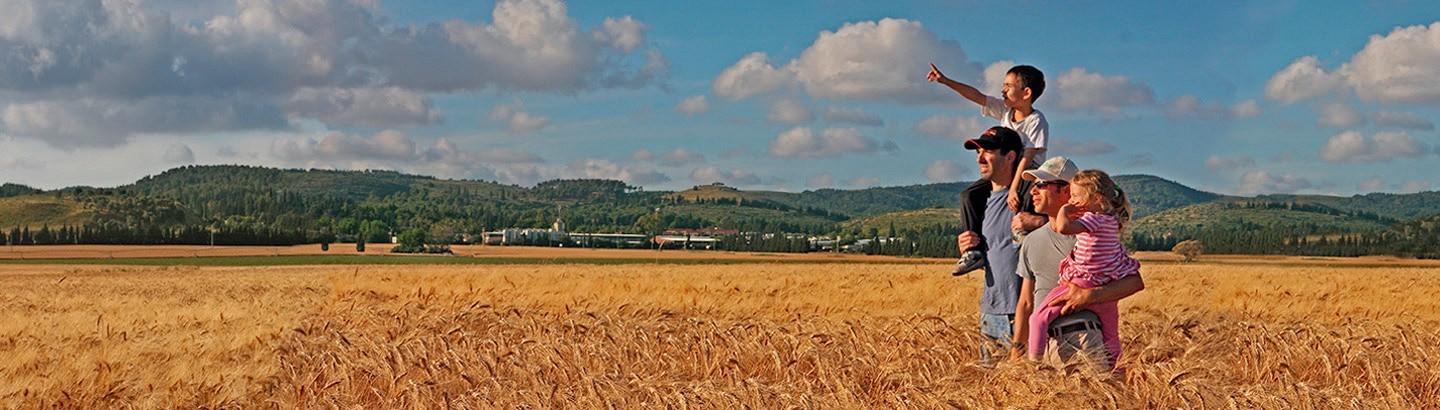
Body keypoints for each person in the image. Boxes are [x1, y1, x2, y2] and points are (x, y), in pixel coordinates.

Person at [1011, 157, 1145, 369]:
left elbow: (1134, 282)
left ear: (1067, 191)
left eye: (1041, 184)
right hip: (1044, 344)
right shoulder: (1032, 241)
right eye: (1033, 185)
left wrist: (1090, 296)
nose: (1032, 192)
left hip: (1085, 342)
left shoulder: (1092, 236)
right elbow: (1026, 302)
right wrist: (1017, 349)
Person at [928, 63, 1049, 275]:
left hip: (1026, 171)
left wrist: (1013, 188)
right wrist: (945, 81)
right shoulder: (1004, 111)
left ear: (1026, 92)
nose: (1002, 90)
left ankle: (1023, 233)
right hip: (1005, 171)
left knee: (1031, 191)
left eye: (1008, 86)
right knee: (969, 195)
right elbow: (976, 96)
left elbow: (1028, 158)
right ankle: (973, 251)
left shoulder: (1036, 120)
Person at [952, 126, 1048, 363]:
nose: (979, 158)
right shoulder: (978, 202)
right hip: (990, 311)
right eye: (978, 152)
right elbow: (995, 254)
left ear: (1011, 157)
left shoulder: (1032, 195)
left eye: (987, 151)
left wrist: (1041, 221)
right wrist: (967, 245)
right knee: (991, 390)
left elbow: (1074, 227)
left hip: (1026, 312)